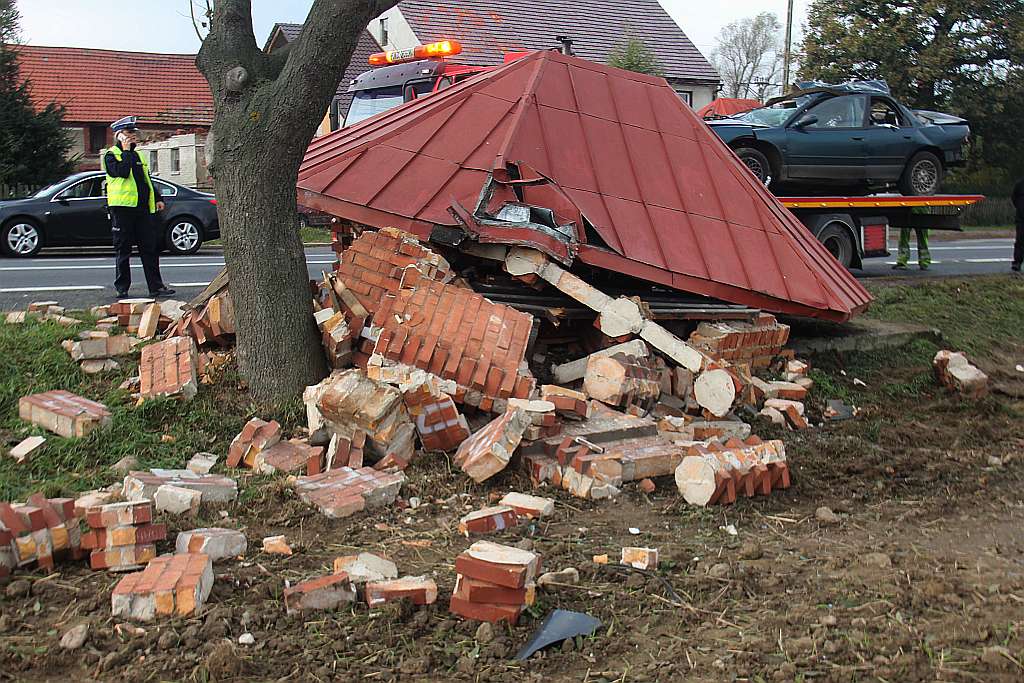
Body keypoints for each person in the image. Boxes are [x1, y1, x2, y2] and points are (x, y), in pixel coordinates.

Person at [102, 116, 175, 298]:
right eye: (129, 132)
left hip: (142, 209)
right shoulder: (111, 155)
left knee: (149, 248)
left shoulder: (138, 155)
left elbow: (145, 180)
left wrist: (157, 197)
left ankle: (156, 287)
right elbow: (122, 172)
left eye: (134, 132)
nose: (133, 135)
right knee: (123, 249)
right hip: (122, 209)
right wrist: (126, 151)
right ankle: (122, 288)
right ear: (119, 135)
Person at [1013, 176, 1024, 273]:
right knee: (1019, 241)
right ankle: (1017, 262)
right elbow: (1014, 198)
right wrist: (1020, 208)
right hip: (1021, 218)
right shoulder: (1020, 184)